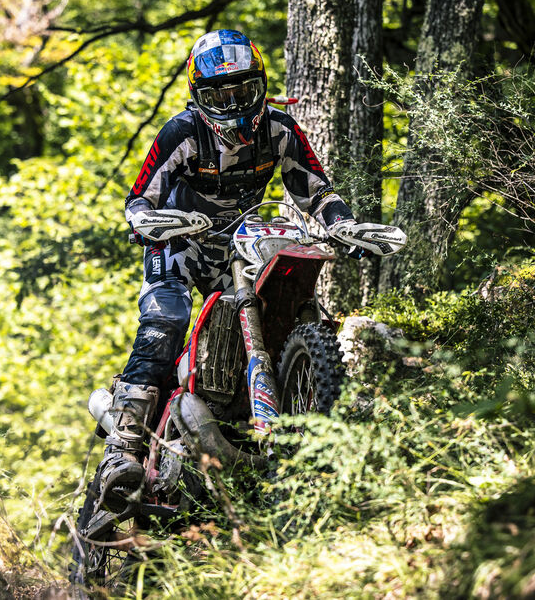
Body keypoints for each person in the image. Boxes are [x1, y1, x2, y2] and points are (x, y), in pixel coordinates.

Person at [95, 29, 370, 510]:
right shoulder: (181, 132)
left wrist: (343, 224)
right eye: (219, 95)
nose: (234, 104)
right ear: (198, 96)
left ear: (261, 86)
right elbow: (140, 197)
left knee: (283, 309)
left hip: (239, 247)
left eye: (243, 91)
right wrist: (144, 221)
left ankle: (285, 422)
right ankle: (122, 450)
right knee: (165, 321)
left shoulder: (279, 129)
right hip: (179, 241)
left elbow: (316, 190)